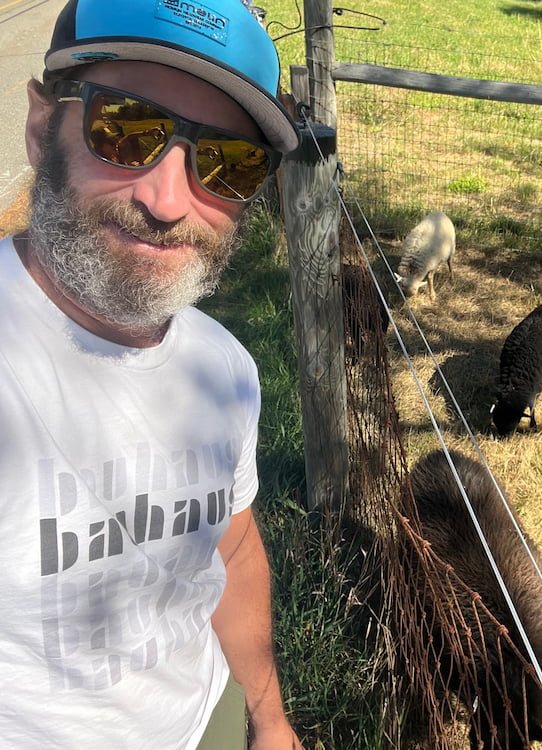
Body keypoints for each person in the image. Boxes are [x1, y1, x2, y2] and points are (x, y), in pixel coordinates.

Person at [0, 0, 304, 748]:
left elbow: (229, 550)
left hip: (206, 721)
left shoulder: (223, 369)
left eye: (228, 162)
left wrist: (268, 719)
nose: (168, 202)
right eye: (125, 130)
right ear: (44, 129)